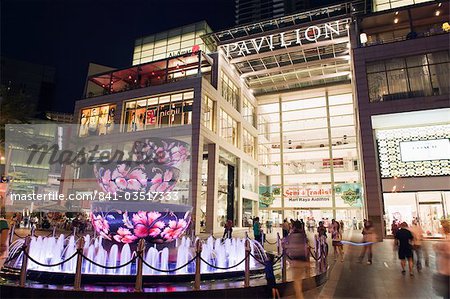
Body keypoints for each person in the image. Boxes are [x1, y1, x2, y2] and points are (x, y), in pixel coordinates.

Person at [283, 220, 309, 299]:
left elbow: (286, 246)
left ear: (293, 227)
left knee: (297, 284)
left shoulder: (292, 235)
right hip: (303, 261)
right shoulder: (303, 235)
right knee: (297, 283)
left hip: (296, 262)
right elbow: (306, 248)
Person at [433, 222, 450, 298]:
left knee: (447, 294)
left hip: (446, 271)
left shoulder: (446, 240)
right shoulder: (445, 239)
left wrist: (440, 248)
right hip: (445, 271)